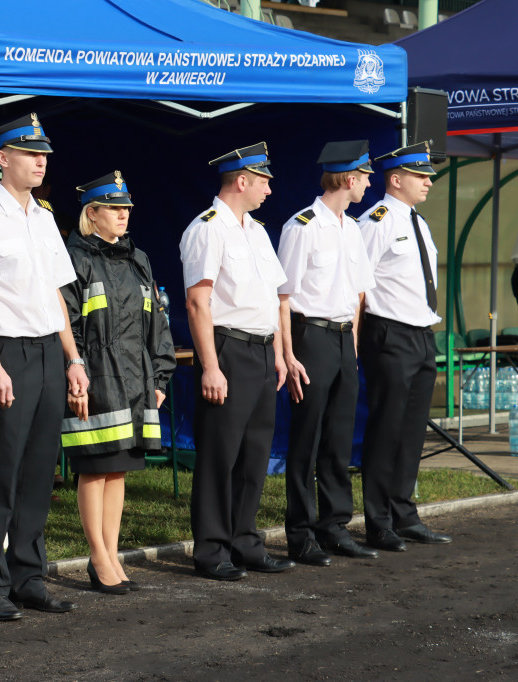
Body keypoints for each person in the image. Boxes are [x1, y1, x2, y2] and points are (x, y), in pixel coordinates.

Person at [0, 113, 89, 621]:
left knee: (37, 473)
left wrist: (73, 357)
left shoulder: (45, 216)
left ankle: (28, 576)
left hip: (48, 351)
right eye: (30, 153)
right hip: (5, 351)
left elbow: (55, 293)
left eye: (44, 153)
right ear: (2, 158)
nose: (40, 160)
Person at [179, 142, 294, 582]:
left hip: (263, 350)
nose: (269, 187)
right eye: (263, 179)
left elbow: (274, 298)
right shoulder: (208, 229)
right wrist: (210, 366)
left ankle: (246, 541)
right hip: (228, 349)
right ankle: (211, 550)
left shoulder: (257, 231)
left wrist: (281, 353)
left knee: (254, 455)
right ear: (241, 180)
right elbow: (197, 302)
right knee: (219, 457)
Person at [61, 171, 176, 594]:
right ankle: (98, 557)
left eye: (126, 207)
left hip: (135, 378)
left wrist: (160, 375)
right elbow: (67, 324)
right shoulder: (75, 258)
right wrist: (75, 375)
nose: (124, 215)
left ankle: (111, 555)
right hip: (95, 377)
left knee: (119, 471)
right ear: (92, 213)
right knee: (95, 468)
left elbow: (156, 321)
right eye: (114, 207)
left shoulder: (137, 257)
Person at [276, 141, 379, 567]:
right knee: (307, 439)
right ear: (349, 178)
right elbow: (282, 296)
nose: (370, 181)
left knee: (338, 438)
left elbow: (358, 292)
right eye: (366, 175)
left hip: (342, 338)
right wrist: (289, 350)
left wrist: (352, 340)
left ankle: (334, 526)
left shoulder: (351, 228)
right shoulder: (301, 227)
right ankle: (300, 533)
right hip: (311, 335)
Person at [358, 141, 452, 551]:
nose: (429, 180)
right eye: (420, 175)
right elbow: (358, 284)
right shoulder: (376, 221)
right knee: (386, 428)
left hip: (421, 334)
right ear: (396, 179)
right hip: (390, 333)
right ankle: (378, 521)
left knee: (413, 431)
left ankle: (404, 513)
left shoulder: (420, 223)